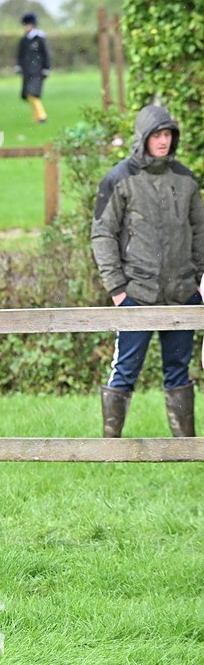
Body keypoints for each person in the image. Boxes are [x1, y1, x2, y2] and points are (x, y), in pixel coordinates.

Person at [91, 104, 204, 438]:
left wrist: (198, 280)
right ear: (143, 137)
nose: (164, 141)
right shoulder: (118, 179)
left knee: (179, 371)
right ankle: (111, 448)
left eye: (168, 134)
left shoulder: (186, 180)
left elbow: (200, 231)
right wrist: (116, 290)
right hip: (136, 295)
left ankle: (186, 448)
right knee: (124, 371)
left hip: (182, 295)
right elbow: (102, 234)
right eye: (157, 134)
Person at [15, 12, 51, 124]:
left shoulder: (40, 39)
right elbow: (20, 55)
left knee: (33, 92)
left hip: (37, 70)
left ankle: (41, 116)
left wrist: (46, 68)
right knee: (28, 94)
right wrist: (18, 66)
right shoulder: (24, 40)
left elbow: (46, 54)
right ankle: (37, 117)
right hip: (27, 71)